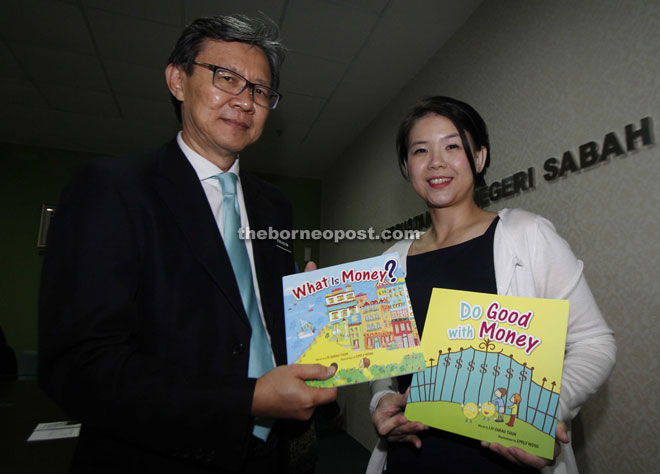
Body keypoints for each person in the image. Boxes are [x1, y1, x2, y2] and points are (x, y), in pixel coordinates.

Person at [38, 14, 337, 474]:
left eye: (259, 90)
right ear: (178, 79)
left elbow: (252, 322)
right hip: (157, 456)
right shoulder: (111, 189)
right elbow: (80, 367)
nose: (245, 101)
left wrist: (308, 317)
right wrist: (248, 398)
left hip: (270, 457)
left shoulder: (275, 207)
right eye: (227, 78)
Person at [367, 96, 616, 474]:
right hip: (412, 459)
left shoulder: (526, 235)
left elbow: (595, 343)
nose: (436, 161)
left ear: (480, 157)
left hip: (504, 462)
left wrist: (544, 409)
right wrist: (382, 398)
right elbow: (384, 361)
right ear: (407, 165)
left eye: (452, 146)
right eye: (420, 150)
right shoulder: (392, 260)